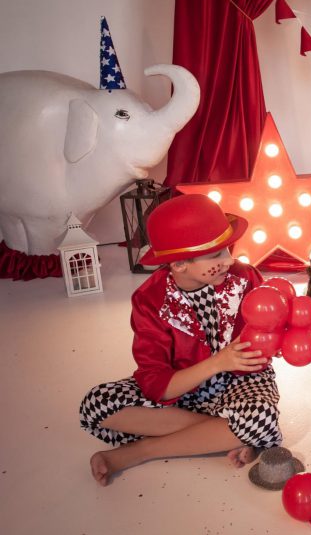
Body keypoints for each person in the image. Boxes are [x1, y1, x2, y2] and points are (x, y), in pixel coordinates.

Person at [79, 194, 281, 486]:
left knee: (261, 416)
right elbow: (154, 384)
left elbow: (266, 338)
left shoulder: (245, 278)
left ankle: (140, 451)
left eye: (227, 250)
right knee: (94, 404)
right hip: (183, 388)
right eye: (215, 256)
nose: (229, 260)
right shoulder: (150, 300)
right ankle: (229, 435)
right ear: (180, 264)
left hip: (241, 382)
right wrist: (216, 363)